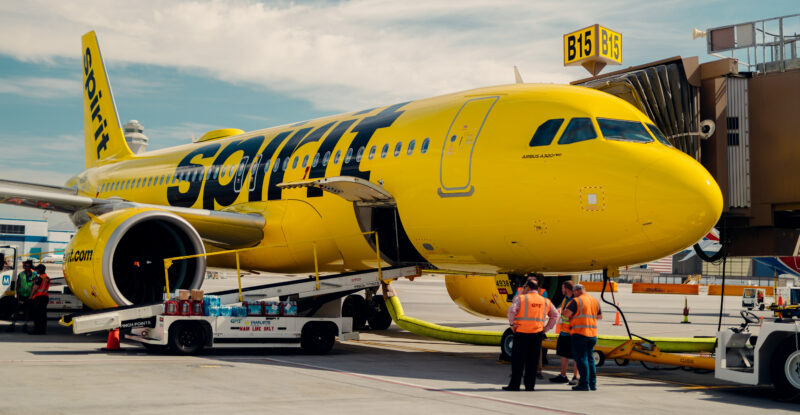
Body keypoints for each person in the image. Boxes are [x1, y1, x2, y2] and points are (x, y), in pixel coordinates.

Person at [503, 279, 559, 391]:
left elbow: (511, 311)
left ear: (527, 287)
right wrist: (546, 328)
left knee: (518, 361)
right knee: (532, 361)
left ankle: (514, 385)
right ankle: (530, 386)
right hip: (537, 334)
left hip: (521, 332)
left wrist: (512, 324)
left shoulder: (521, 298)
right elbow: (555, 315)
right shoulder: (545, 301)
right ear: (537, 288)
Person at [562, 283, 602, 391]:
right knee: (590, 359)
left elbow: (566, 314)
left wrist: (565, 310)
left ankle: (584, 384)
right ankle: (592, 384)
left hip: (580, 333)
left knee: (581, 359)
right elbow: (599, 316)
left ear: (576, 291)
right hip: (592, 334)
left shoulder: (576, 301)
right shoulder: (595, 301)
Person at [550, 280, 580, 385]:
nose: (561, 290)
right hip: (564, 332)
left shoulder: (574, 301)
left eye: (563, 288)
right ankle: (563, 375)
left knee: (575, 356)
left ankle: (576, 377)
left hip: (572, 332)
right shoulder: (565, 299)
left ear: (567, 289)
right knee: (564, 355)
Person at [7, 260, 37, 332]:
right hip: (21, 295)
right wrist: (17, 295)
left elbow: (35, 285)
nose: (25, 267)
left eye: (27, 266)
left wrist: (32, 296)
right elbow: (18, 284)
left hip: (29, 295)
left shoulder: (34, 275)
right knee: (17, 310)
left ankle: (25, 325)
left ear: (30, 267)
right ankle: (13, 325)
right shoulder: (21, 274)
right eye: (25, 266)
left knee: (27, 311)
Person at [29, 264, 50, 335]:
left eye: (37, 269)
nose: (36, 270)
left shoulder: (39, 278)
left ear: (40, 270)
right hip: (45, 297)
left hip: (38, 298)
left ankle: (36, 330)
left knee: (37, 315)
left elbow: (35, 288)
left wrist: (31, 296)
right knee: (43, 315)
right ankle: (42, 330)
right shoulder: (47, 277)